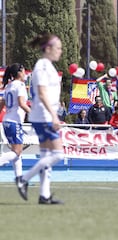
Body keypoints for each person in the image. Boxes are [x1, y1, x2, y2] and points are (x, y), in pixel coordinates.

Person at [16, 33, 64, 204]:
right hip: (44, 116)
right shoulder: (42, 66)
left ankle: (44, 194)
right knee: (58, 154)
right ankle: (24, 179)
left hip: (42, 115)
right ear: (48, 49)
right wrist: (54, 115)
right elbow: (42, 93)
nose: (60, 51)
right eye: (58, 48)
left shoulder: (47, 66)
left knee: (46, 154)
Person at [0, 63, 31, 188]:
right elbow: (22, 103)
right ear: (19, 73)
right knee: (17, 152)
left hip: (7, 121)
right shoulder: (20, 85)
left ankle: (19, 179)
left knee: (17, 151)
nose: (25, 74)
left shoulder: (9, 86)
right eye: (24, 71)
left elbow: (2, 103)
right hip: (14, 122)